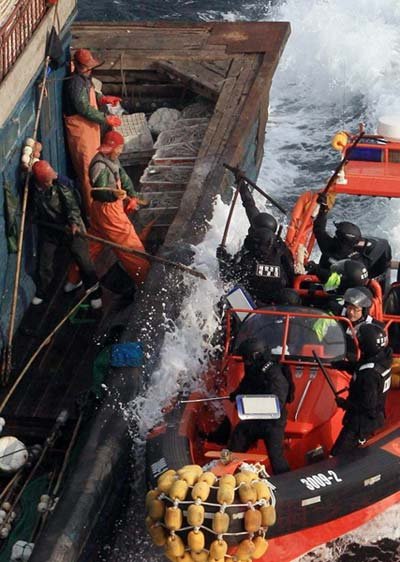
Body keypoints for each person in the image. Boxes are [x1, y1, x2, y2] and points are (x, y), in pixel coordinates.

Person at [66, 131, 150, 288]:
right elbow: (97, 192)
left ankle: (73, 278)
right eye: (119, 148)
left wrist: (132, 195)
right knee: (129, 245)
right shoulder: (99, 166)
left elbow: (123, 177)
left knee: (92, 244)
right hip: (108, 211)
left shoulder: (112, 160)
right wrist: (113, 194)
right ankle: (146, 281)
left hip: (102, 211)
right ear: (112, 148)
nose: (120, 151)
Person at [30, 160, 102, 309]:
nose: (52, 181)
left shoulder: (61, 186)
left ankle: (95, 293)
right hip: (50, 230)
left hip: (70, 228)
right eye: (48, 180)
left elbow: (72, 207)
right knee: (44, 263)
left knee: (84, 261)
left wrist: (74, 223)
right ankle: (42, 292)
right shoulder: (31, 187)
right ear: (40, 181)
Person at [64, 48, 122, 216]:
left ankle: (102, 208)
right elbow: (83, 107)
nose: (89, 69)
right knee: (88, 171)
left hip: (90, 129)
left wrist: (102, 99)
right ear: (79, 66)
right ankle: (93, 214)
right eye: (86, 66)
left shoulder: (85, 79)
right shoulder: (75, 83)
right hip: (80, 131)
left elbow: (89, 96)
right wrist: (106, 119)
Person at [217, 184, 294, 305]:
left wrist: (222, 259)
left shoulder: (250, 261)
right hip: (279, 302)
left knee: (226, 296)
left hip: (252, 306)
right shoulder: (280, 250)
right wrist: (243, 189)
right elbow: (291, 272)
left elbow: (228, 277)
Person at [228, 338, 293, 474]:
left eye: (247, 359)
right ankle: (227, 472)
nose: (245, 362)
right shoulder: (253, 368)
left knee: (276, 456)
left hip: (273, 422)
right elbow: (246, 383)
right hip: (254, 419)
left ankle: (285, 479)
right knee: (237, 440)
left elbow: (277, 402)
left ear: (256, 355)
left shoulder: (274, 373)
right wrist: (236, 394)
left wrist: (246, 405)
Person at [331, 323, 392, 456]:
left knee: (338, 455)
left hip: (362, 423)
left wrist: (344, 404)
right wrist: (343, 365)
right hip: (377, 417)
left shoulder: (369, 376)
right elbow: (363, 366)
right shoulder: (383, 359)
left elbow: (367, 406)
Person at [313, 193, 392, 281]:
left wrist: (323, 210)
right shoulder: (360, 261)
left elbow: (319, 229)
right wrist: (323, 208)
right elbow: (384, 244)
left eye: (336, 234)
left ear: (339, 239)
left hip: (339, 286)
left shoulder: (328, 247)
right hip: (337, 283)